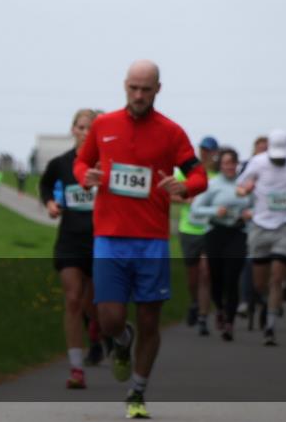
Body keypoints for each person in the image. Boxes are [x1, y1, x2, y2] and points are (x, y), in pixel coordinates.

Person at [74, 60, 208, 420]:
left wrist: (187, 185)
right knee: (109, 318)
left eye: (146, 89)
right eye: (133, 88)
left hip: (151, 241)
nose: (138, 95)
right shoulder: (104, 125)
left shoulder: (171, 132)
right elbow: (81, 163)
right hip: (110, 238)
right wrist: (88, 176)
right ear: (124, 86)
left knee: (150, 319)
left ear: (158, 90)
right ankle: (121, 341)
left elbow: (198, 174)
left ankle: (137, 390)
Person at [39, 108, 101, 389]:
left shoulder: (106, 165)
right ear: (73, 129)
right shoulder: (61, 163)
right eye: (81, 127)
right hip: (70, 240)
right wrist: (51, 204)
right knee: (74, 299)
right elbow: (46, 185)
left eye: (92, 128)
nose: (85, 132)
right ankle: (76, 368)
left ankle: (99, 333)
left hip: (102, 241)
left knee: (96, 305)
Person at [236, 129, 286, 346]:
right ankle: (266, 302)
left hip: (285, 225)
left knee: (276, 277)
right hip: (260, 225)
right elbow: (239, 188)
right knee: (260, 283)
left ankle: (270, 326)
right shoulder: (257, 163)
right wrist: (245, 190)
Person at [190, 147, 251, 341]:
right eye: (226, 163)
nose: (230, 167)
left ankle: (229, 323)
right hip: (215, 233)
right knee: (215, 278)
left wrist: (250, 214)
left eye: (233, 163)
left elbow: (258, 206)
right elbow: (196, 209)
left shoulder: (245, 185)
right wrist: (215, 211)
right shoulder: (213, 184)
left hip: (238, 233)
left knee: (232, 278)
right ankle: (220, 309)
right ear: (220, 165)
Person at [177, 136, 218, 336]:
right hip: (189, 229)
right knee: (192, 278)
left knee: (205, 273)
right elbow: (170, 194)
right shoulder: (187, 171)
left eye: (209, 151)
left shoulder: (216, 176)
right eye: (203, 150)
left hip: (209, 230)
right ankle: (194, 302)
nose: (206, 154)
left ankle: (203, 317)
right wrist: (185, 197)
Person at [237, 135, 270, 319]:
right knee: (248, 260)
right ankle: (244, 300)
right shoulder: (247, 167)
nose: (262, 153)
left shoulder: (278, 168)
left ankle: (273, 294)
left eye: (266, 149)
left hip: (273, 221)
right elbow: (239, 190)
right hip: (251, 220)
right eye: (260, 149)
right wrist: (244, 210)